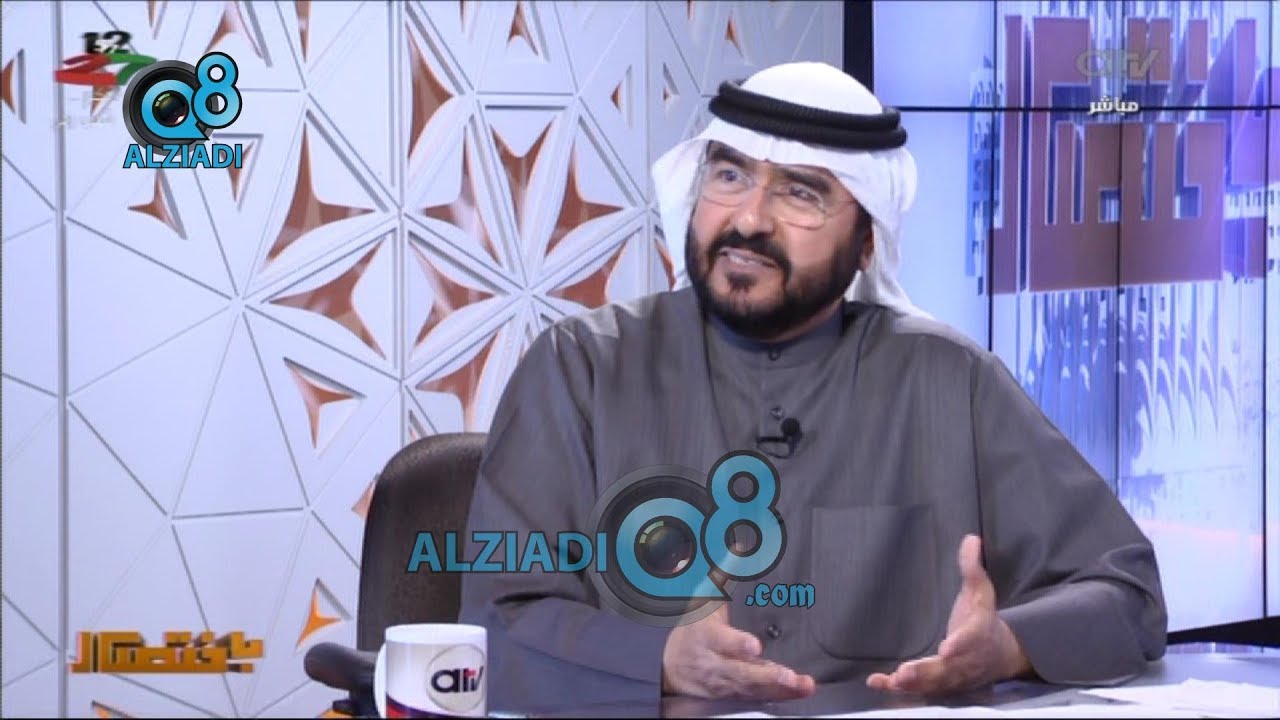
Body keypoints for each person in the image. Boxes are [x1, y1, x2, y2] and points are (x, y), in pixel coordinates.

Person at [457, 61, 1167, 709]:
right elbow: (493, 623)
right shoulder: (582, 369)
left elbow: (1127, 593)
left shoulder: (950, 382)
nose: (748, 219)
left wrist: (1007, 646)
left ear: (867, 241)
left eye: (801, 194)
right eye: (728, 176)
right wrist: (663, 660)